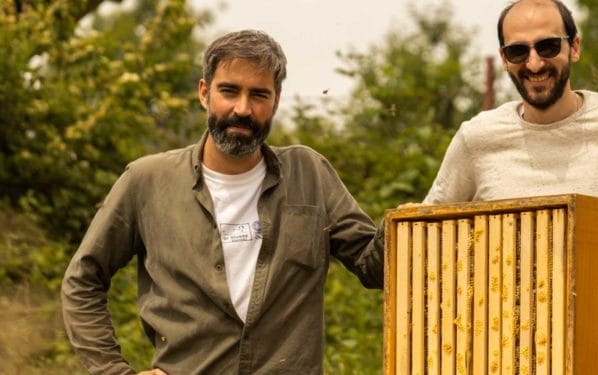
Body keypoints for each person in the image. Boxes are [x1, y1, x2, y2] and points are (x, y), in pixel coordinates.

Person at [60, 30, 384, 374]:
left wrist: (418, 218)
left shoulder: (310, 175)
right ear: (204, 92)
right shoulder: (147, 180)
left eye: (259, 95)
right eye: (229, 91)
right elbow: (83, 279)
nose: (243, 109)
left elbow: (374, 266)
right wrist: (112, 370)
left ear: (275, 100)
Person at [422, 0, 598, 373]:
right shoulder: (477, 138)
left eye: (548, 46)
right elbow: (429, 232)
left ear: (574, 47)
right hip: (506, 361)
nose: (534, 63)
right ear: (504, 58)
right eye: (518, 51)